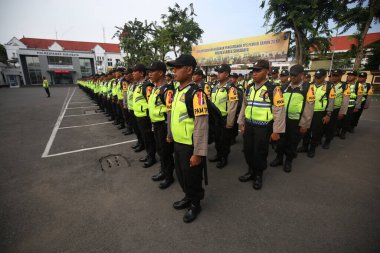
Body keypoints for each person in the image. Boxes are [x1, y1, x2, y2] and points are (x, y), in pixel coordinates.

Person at [167, 54, 208, 223]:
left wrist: (198, 153)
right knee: (181, 174)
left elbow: (201, 125)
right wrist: (170, 134)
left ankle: (195, 203)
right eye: (173, 68)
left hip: (190, 145)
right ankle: (187, 197)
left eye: (177, 68)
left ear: (189, 70)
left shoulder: (197, 94)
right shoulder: (177, 91)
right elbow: (173, 116)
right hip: (178, 142)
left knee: (192, 178)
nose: (173, 71)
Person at [237, 60, 285, 189]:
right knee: (248, 150)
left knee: (260, 152)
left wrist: (276, 131)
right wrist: (241, 122)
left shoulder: (273, 89)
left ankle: (258, 175)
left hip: (263, 127)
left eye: (258, 70)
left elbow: (279, 111)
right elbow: (244, 106)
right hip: (249, 125)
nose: (254, 73)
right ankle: (250, 171)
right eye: (253, 70)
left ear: (267, 71)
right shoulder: (249, 87)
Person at [270, 64, 315, 172]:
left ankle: (288, 161)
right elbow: (277, 104)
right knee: (280, 141)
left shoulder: (307, 88)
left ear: (302, 75)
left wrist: (305, 124)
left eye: (295, 75)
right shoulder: (284, 87)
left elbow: (309, 107)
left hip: (296, 122)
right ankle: (279, 158)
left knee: (292, 142)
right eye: (291, 75)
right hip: (282, 120)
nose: (293, 78)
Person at [147, 61, 175, 189]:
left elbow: (170, 112)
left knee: (166, 152)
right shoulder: (155, 88)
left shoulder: (167, 90)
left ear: (161, 73)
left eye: (153, 71)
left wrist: (169, 132)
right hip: (156, 124)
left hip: (164, 125)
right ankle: (163, 171)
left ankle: (169, 176)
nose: (150, 73)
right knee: (160, 150)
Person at [298, 69, 335, 157]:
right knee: (306, 130)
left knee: (316, 132)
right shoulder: (310, 86)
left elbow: (331, 101)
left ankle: (312, 149)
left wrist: (328, 114)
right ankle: (305, 146)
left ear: (324, 77)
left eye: (319, 77)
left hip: (319, 113)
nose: (316, 79)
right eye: (315, 77)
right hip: (308, 111)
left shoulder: (329, 87)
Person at [209, 64, 239, 169]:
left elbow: (233, 107)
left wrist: (230, 122)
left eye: (220, 72)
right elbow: (212, 101)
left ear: (226, 74)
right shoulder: (215, 86)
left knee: (224, 140)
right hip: (215, 118)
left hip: (225, 118)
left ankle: (223, 158)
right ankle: (218, 154)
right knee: (217, 138)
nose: (218, 74)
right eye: (218, 72)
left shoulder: (231, 88)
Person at [132, 63, 156, 168]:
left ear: (141, 73)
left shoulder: (147, 86)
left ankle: (152, 157)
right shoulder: (138, 85)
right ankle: (148, 154)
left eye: (134, 71)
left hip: (145, 117)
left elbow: (150, 102)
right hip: (139, 115)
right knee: (144, 137)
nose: (132, 74)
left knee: (148, 138)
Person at [323, 69, 350, 148]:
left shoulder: (344, 86)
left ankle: (327, 141)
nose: (334, 77)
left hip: (335, 109)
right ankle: (319, 139)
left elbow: (345, 101)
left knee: (331, 126)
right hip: (325, 109)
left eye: (336, 76)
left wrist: (342, 112)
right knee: (322, 125)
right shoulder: (327, 84)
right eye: (332, 75)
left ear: (340, 76)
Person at [340, 70, 363, 139]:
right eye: (349, 75)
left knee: (347, 120)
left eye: (351, 75)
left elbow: (359, 97)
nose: (349, 76)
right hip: (342, 105)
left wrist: (357, 107)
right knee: (339, 119)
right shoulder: (343, 84)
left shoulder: (359, 85)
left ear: (355, 77)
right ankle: (337, 130)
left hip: (350, 106)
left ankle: (343, 132)